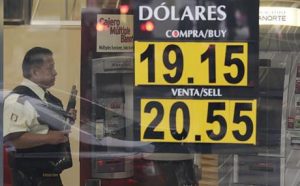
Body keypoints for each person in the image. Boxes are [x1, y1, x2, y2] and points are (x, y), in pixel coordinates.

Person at [3, 47, 77, 186]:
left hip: (51, 176)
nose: (55, 72)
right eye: (50, 68)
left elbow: (50, 129)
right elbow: (13, 140)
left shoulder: (51, 100)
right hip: (29, 179)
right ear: (35, 72)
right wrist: (49, 138)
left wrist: (67, 120)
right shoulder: (18, 100)